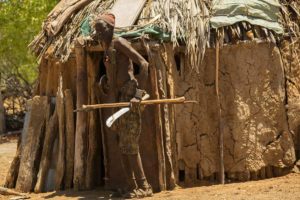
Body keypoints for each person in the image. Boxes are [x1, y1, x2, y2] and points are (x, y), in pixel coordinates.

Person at [80, 13, 153, 198]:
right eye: (96, 30)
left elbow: (143, 64)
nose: (98, 33)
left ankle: (145, 187)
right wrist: (104, 84)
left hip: (128, 96)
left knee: (130, 143)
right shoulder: (106, 48)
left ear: (110, 28)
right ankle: (131, 187)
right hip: (117, 99)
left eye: (101, 29)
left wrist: (137, 95)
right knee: (122, 144)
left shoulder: (119, 42)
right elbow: (112, 77)